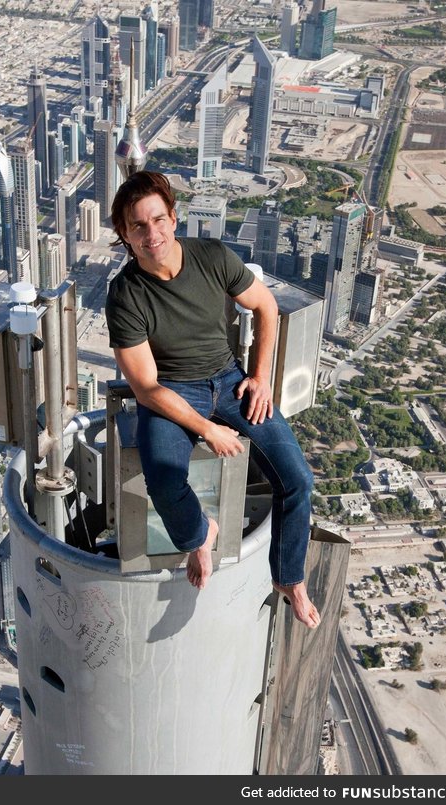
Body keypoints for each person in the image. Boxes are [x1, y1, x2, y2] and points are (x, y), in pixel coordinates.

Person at [105, 171, 320, 629]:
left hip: (228, 380)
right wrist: (208, 430)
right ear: (124, 234)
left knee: (298, 479)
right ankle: (200, 534)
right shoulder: (126, 295)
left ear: (174, 219)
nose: (151, 234)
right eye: (138, 226)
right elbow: (146, 388)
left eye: (157, 220)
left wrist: (260, 377)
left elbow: (266, 307)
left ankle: (289, 579)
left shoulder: (213, 258)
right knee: (163, 479)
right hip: (171, 392)